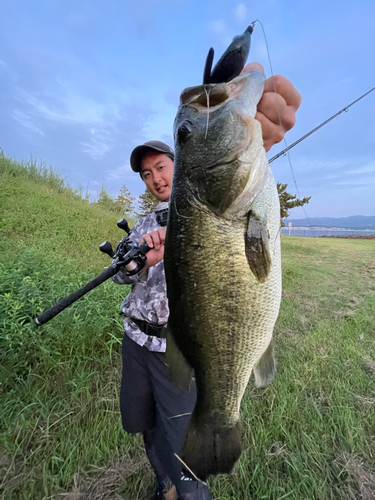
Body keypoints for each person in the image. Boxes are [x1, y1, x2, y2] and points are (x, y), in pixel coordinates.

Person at [112, 63, 301, 500]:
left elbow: (239, 197)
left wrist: (252, 137)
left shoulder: (206, 199)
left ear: (179, 166)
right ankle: (166, 485)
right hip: (136, 343)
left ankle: (190, 490)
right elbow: (124, 272)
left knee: (186, 439)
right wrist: (143, 257)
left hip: (177, 350)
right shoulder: (143, 225)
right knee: (146, 423)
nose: (157, 178)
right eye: (147, 174)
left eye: (162, 166)